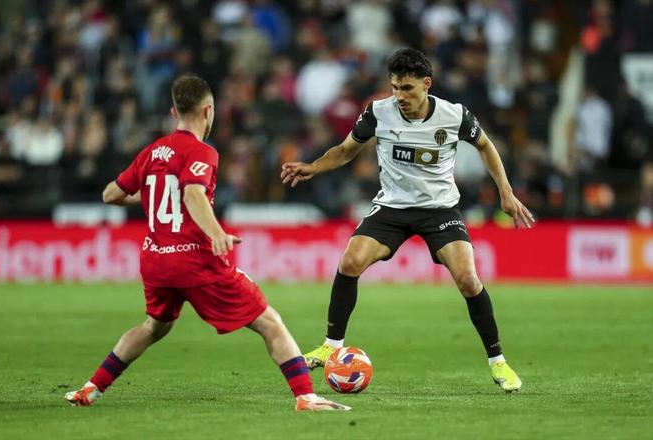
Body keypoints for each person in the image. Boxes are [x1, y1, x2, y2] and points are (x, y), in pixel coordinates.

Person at [65, 75, 350, 411]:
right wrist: (216, 233)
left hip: (155, 260)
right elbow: (193, 193)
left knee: (154, 327)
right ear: (208, 111)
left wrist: (155, 195)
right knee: (269, 322)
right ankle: (306, 397)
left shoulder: (152, 151)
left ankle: (91, 388)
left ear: (174, 111)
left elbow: (110, 194)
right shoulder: (203, 152)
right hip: (194, 260)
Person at [281, 48, 535, 392]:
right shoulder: (378, 112)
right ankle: (331, 346)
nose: (399, 96)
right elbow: (345, 151)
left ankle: (498, 362)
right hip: (393, 208)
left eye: (407, 88)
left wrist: (506, 192)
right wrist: (313, 166)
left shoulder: (454, 115)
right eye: (395, 87)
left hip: (440, 209)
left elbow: (486, 146)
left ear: (426, 84)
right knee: (350, 261)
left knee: (468, 279)